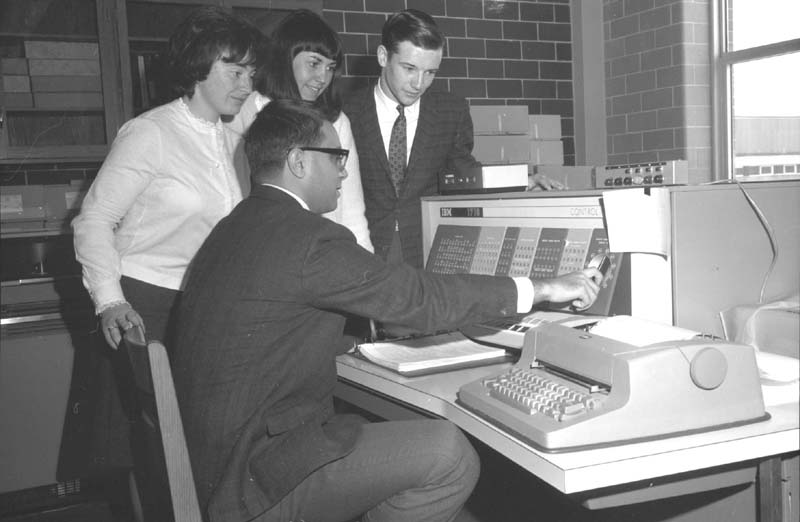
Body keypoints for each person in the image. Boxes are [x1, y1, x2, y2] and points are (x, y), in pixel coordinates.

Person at [172, 98, 602, 522]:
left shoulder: (233, 228)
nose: (344, 170)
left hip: (217, 464)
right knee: (448, 454)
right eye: (336, 156)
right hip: (257, 482)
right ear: (298, 162)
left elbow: (279, 321)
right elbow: (418, 298)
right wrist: (544, 287)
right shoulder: (307, 237)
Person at [69, 4, 265, 483]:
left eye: (251, 72)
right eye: (234, 70)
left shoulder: (234, 134)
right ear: (198, 66)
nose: (246, 84)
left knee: (193, 454)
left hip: (201, 307)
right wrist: (109, 302)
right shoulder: (150, 133)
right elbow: (93, 219)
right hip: (143, 307)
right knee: (150, 461)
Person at [226, 9, 373, 251]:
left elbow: (352, 208)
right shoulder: (247, 110)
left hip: (321, 250)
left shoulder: (336, 121)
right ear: (286, 57)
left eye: (329, 67)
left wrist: (366, 264)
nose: (322, 78)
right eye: (314, 63)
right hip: (264, 248)